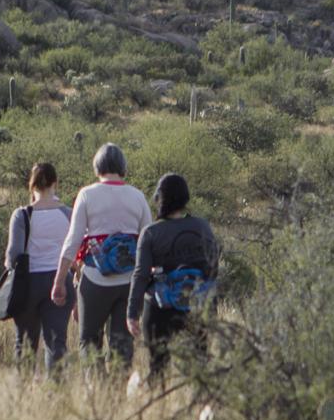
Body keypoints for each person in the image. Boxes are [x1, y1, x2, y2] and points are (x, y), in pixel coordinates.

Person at [53, 142, 151, 366]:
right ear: (122, 167)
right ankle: (117, 395)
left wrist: (59, 281)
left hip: (95, 280)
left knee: (89, 342)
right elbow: (148, 241)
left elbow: (73, 240)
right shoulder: (138, 196)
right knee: (122, 346)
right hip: (129, 282)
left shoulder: (87, 194)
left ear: (97, 166)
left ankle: (94, 393)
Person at [127, 172, 219, 378]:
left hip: (161, 306)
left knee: (158, 366)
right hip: (197, 304)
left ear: (159, 199)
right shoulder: (202, 226)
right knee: (200, 363)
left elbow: (141, 275)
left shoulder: (151, 233)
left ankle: (159, 405)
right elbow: (213, 267)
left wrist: (132, 313)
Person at [2, 162, 72, 374]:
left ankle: (22, 397)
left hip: (28, 283)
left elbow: (12, 256)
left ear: (31, 186)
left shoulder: (22, 215)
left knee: (24, 342)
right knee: (56, 342)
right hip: (60, 280)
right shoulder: (69, 214)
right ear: (55, 183)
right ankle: (56, 395)